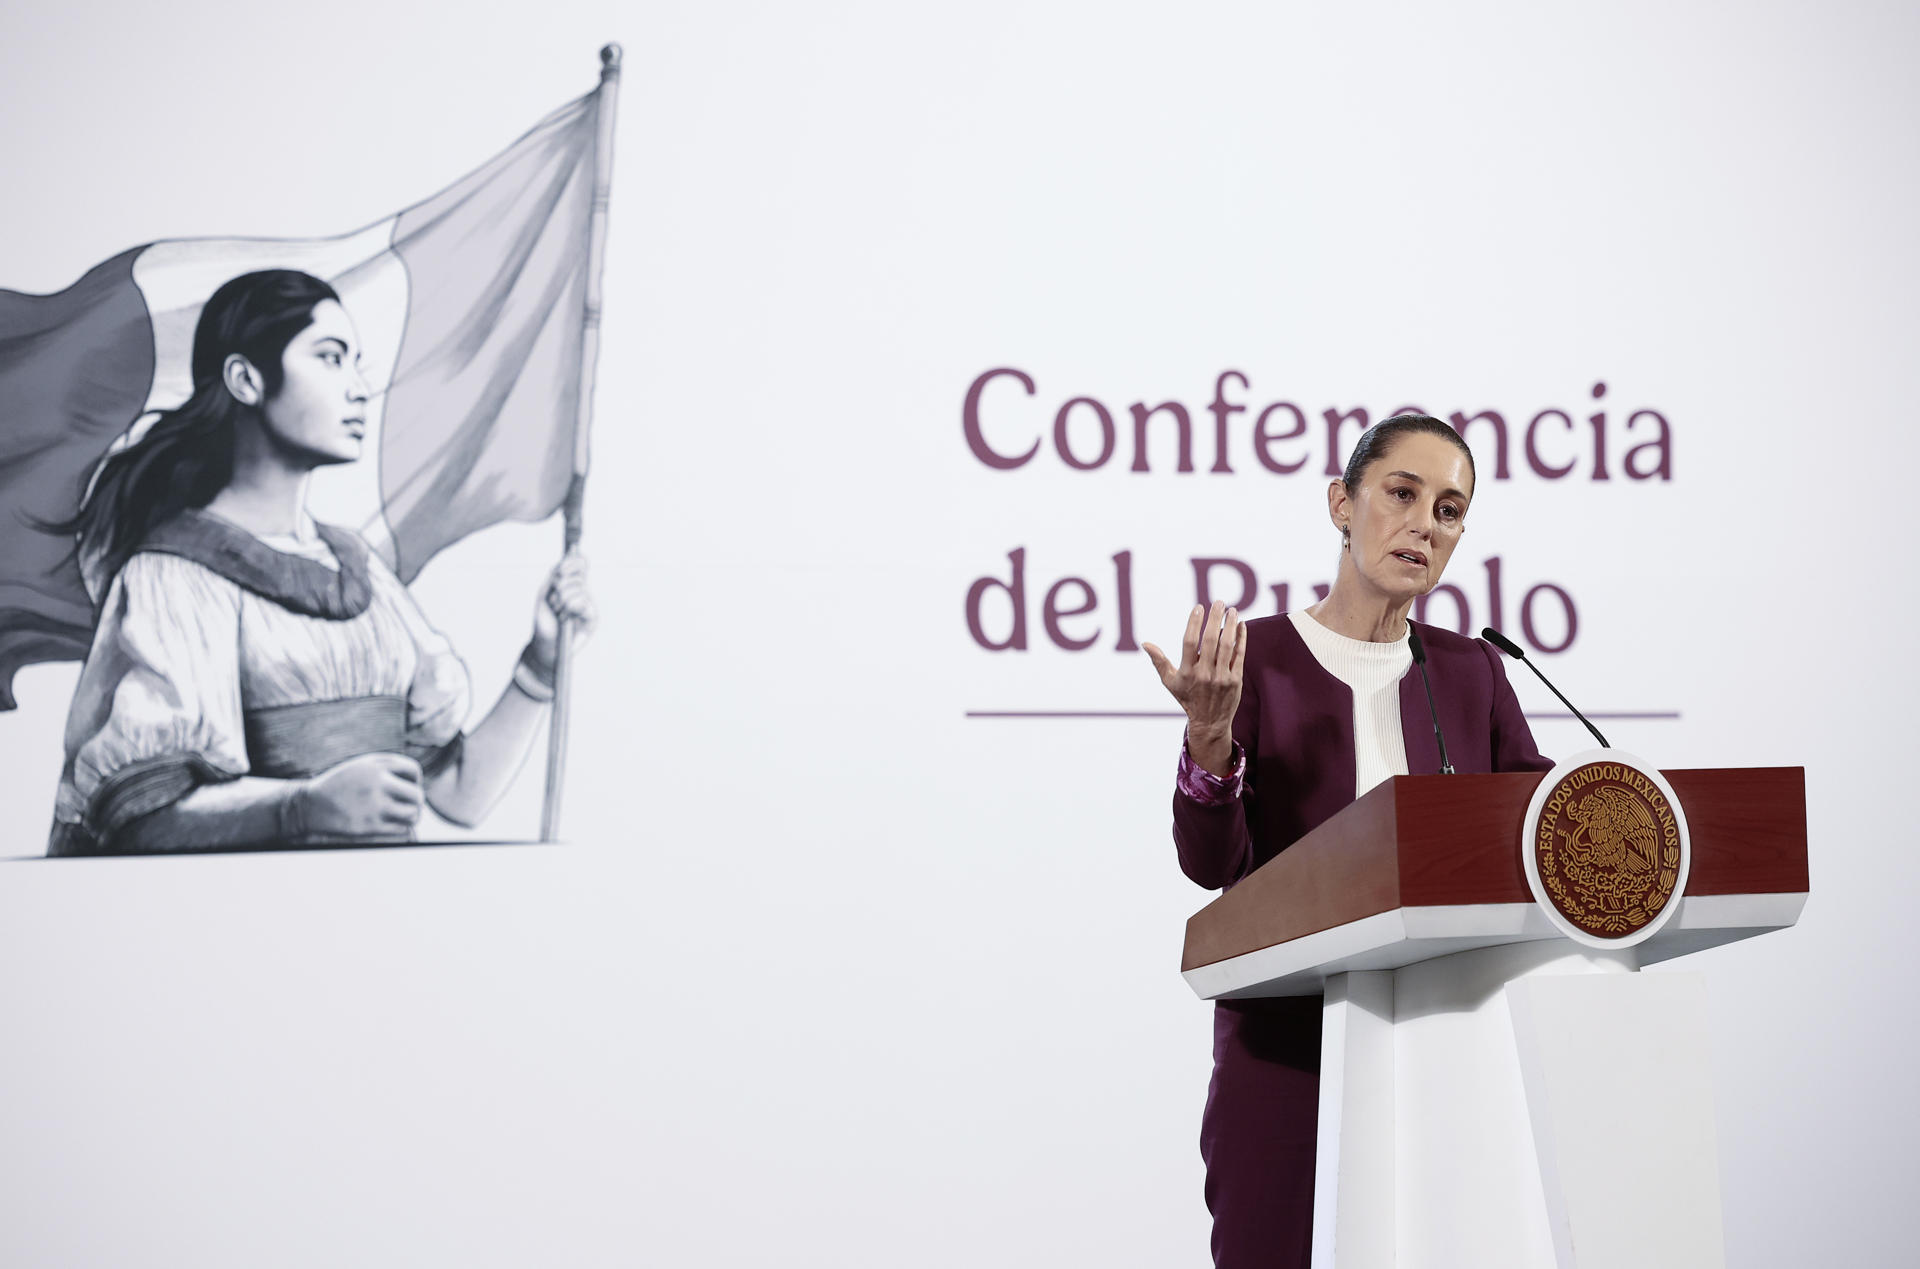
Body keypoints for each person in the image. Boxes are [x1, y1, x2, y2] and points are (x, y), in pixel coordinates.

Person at [1142, 414, 1553, 1267]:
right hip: (1289, 1060)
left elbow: (1541, 832)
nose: (1423, 525)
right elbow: (1211, 864)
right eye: (1401, 494)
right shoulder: (1258, 658)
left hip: (1442, 1054)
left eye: (1448, 510)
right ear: (1342, 503)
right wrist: (1210, 743)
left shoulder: (1474, 673)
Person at [45, 268, 595, 855]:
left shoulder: (363, 573)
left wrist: (540, 663)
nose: (359, 388)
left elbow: (461, 794)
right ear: (245, 379)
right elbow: (140, 822)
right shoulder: (174, 575)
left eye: (356, 362)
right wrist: (302, 806)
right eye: (330, 358)